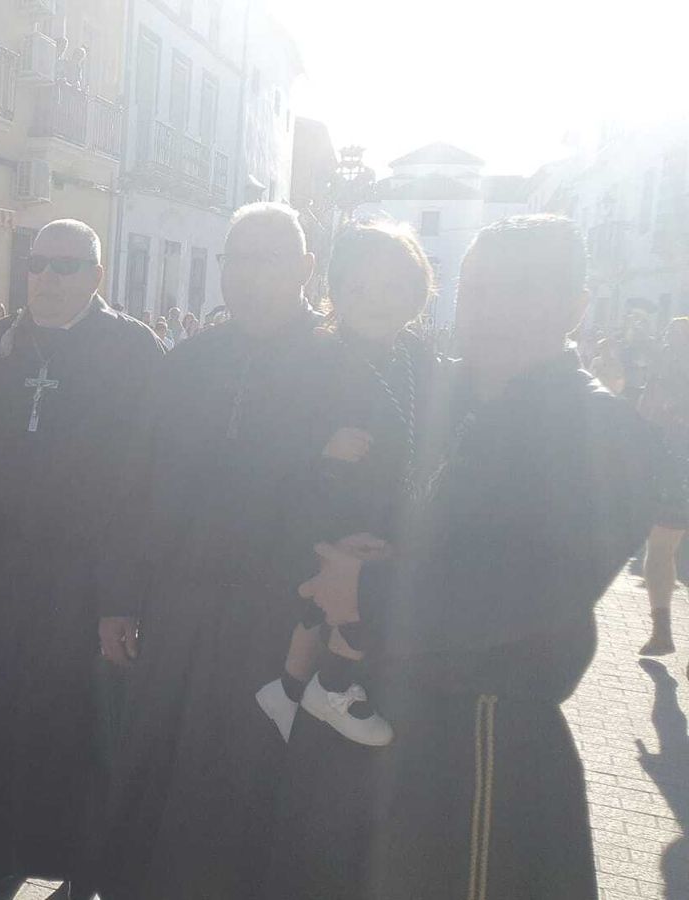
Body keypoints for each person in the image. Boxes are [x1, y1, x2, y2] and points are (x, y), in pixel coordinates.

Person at [284, 215, 658, 898]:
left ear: (576, 306)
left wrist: (365, 589)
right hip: (386, 719)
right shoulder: (452, 396)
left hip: (481, 750)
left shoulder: (601, 429)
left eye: (521, 290)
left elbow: (530, 590)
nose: (491, 310)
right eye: (478, 289)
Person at [96, 203, 353, 899]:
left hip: (276, 618)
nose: (247, 276)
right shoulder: (188, 361)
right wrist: (118, 598)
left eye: (267, 260)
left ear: (305, 268)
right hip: (177, 604)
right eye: (235, 260)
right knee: (154, 763)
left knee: (245, 781)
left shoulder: (340, 365)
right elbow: (136, 483)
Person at [0, 220, 163, 893]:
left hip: (85, 571)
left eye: (66, 265)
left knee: (71, 715)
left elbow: (143, 484)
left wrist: (121, 598)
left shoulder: (132, 351)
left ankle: (78, 862)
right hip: (0, 561)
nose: (48, 278)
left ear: (97, 275)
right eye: (38, 263)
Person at [253, 223, 437, 750]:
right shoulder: (314, 356)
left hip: (388, 505)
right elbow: (268, 439)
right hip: (326, 507)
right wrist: (321, 444)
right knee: (336, 601)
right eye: (359, 287)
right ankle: (330, 687)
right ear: (335, 291)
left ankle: (289, 690)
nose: (376, 301)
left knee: (337, 605)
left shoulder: (419, 359)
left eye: (393, 287)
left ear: (418, 293)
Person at [638, 318, 689, 655]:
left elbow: (645, 413)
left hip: (672, 470)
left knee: (660, 549)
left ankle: (662, 631)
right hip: (673, 469)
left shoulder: (664, 370)